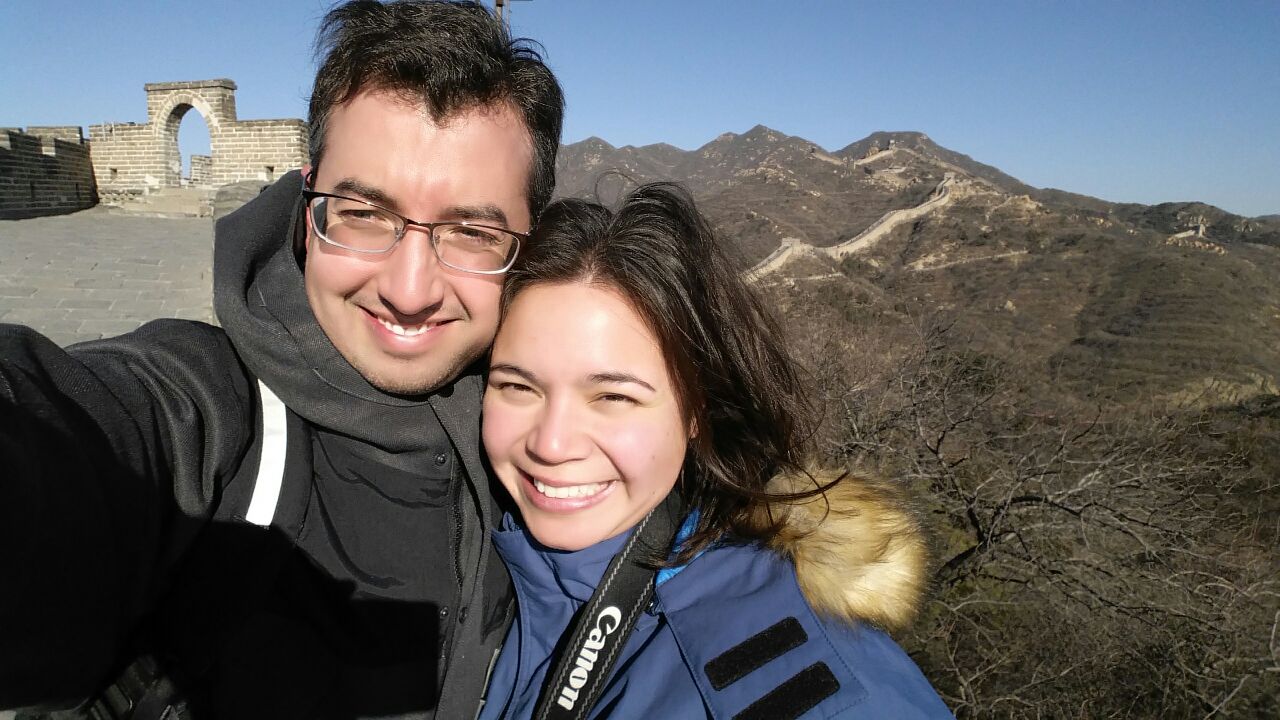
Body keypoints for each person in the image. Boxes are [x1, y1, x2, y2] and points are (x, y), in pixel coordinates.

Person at [0, 2, 562, 718]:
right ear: (306, 204)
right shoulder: (212, 413)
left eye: (473, 231)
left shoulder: (551, 450)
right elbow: (66, 433)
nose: (409, 290)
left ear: (530, 245)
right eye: (361, 213)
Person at [475, 183, 954, 718]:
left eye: (612, 396)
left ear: (696, 410)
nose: (551, 443)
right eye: (517, 387)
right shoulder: (477, 554)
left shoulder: (817, 683)